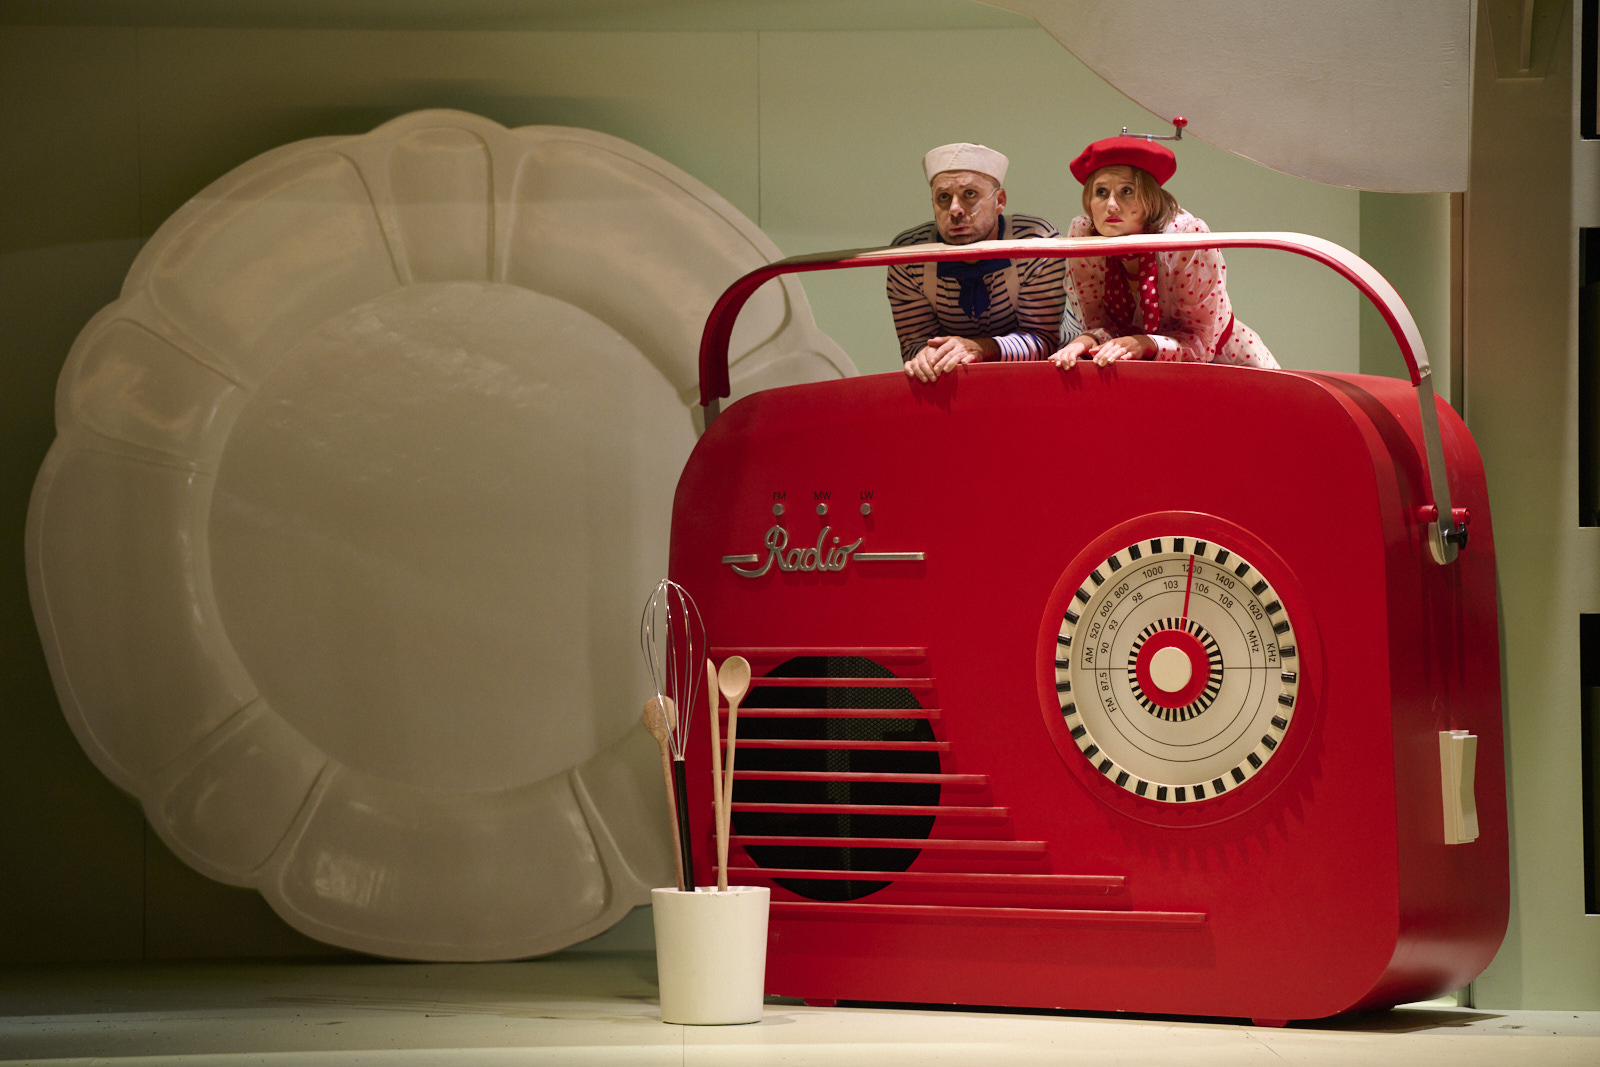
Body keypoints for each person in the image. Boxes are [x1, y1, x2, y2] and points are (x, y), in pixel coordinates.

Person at [1049, 136, 1277, 370]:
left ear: (1150, 197)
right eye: (1101, 192)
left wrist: (1145, 343)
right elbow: (1103, 327)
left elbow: (1199, 343)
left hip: (1227, 364)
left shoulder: (1183, 238)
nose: (1112, 205)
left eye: (1126, 190)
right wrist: (1088, 340)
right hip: (1140, 370)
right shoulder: (1085, 238)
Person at [887, 143, 1075, 383]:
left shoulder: (1036, 242)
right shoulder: (909, 257)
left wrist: (980, 348)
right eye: (943, 197)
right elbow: (914, 343)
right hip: (957, 377)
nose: (955, 210)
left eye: (970, 194)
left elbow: (1043, 340)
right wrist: (925, 356)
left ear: (999, 201)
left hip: (1047, 374)